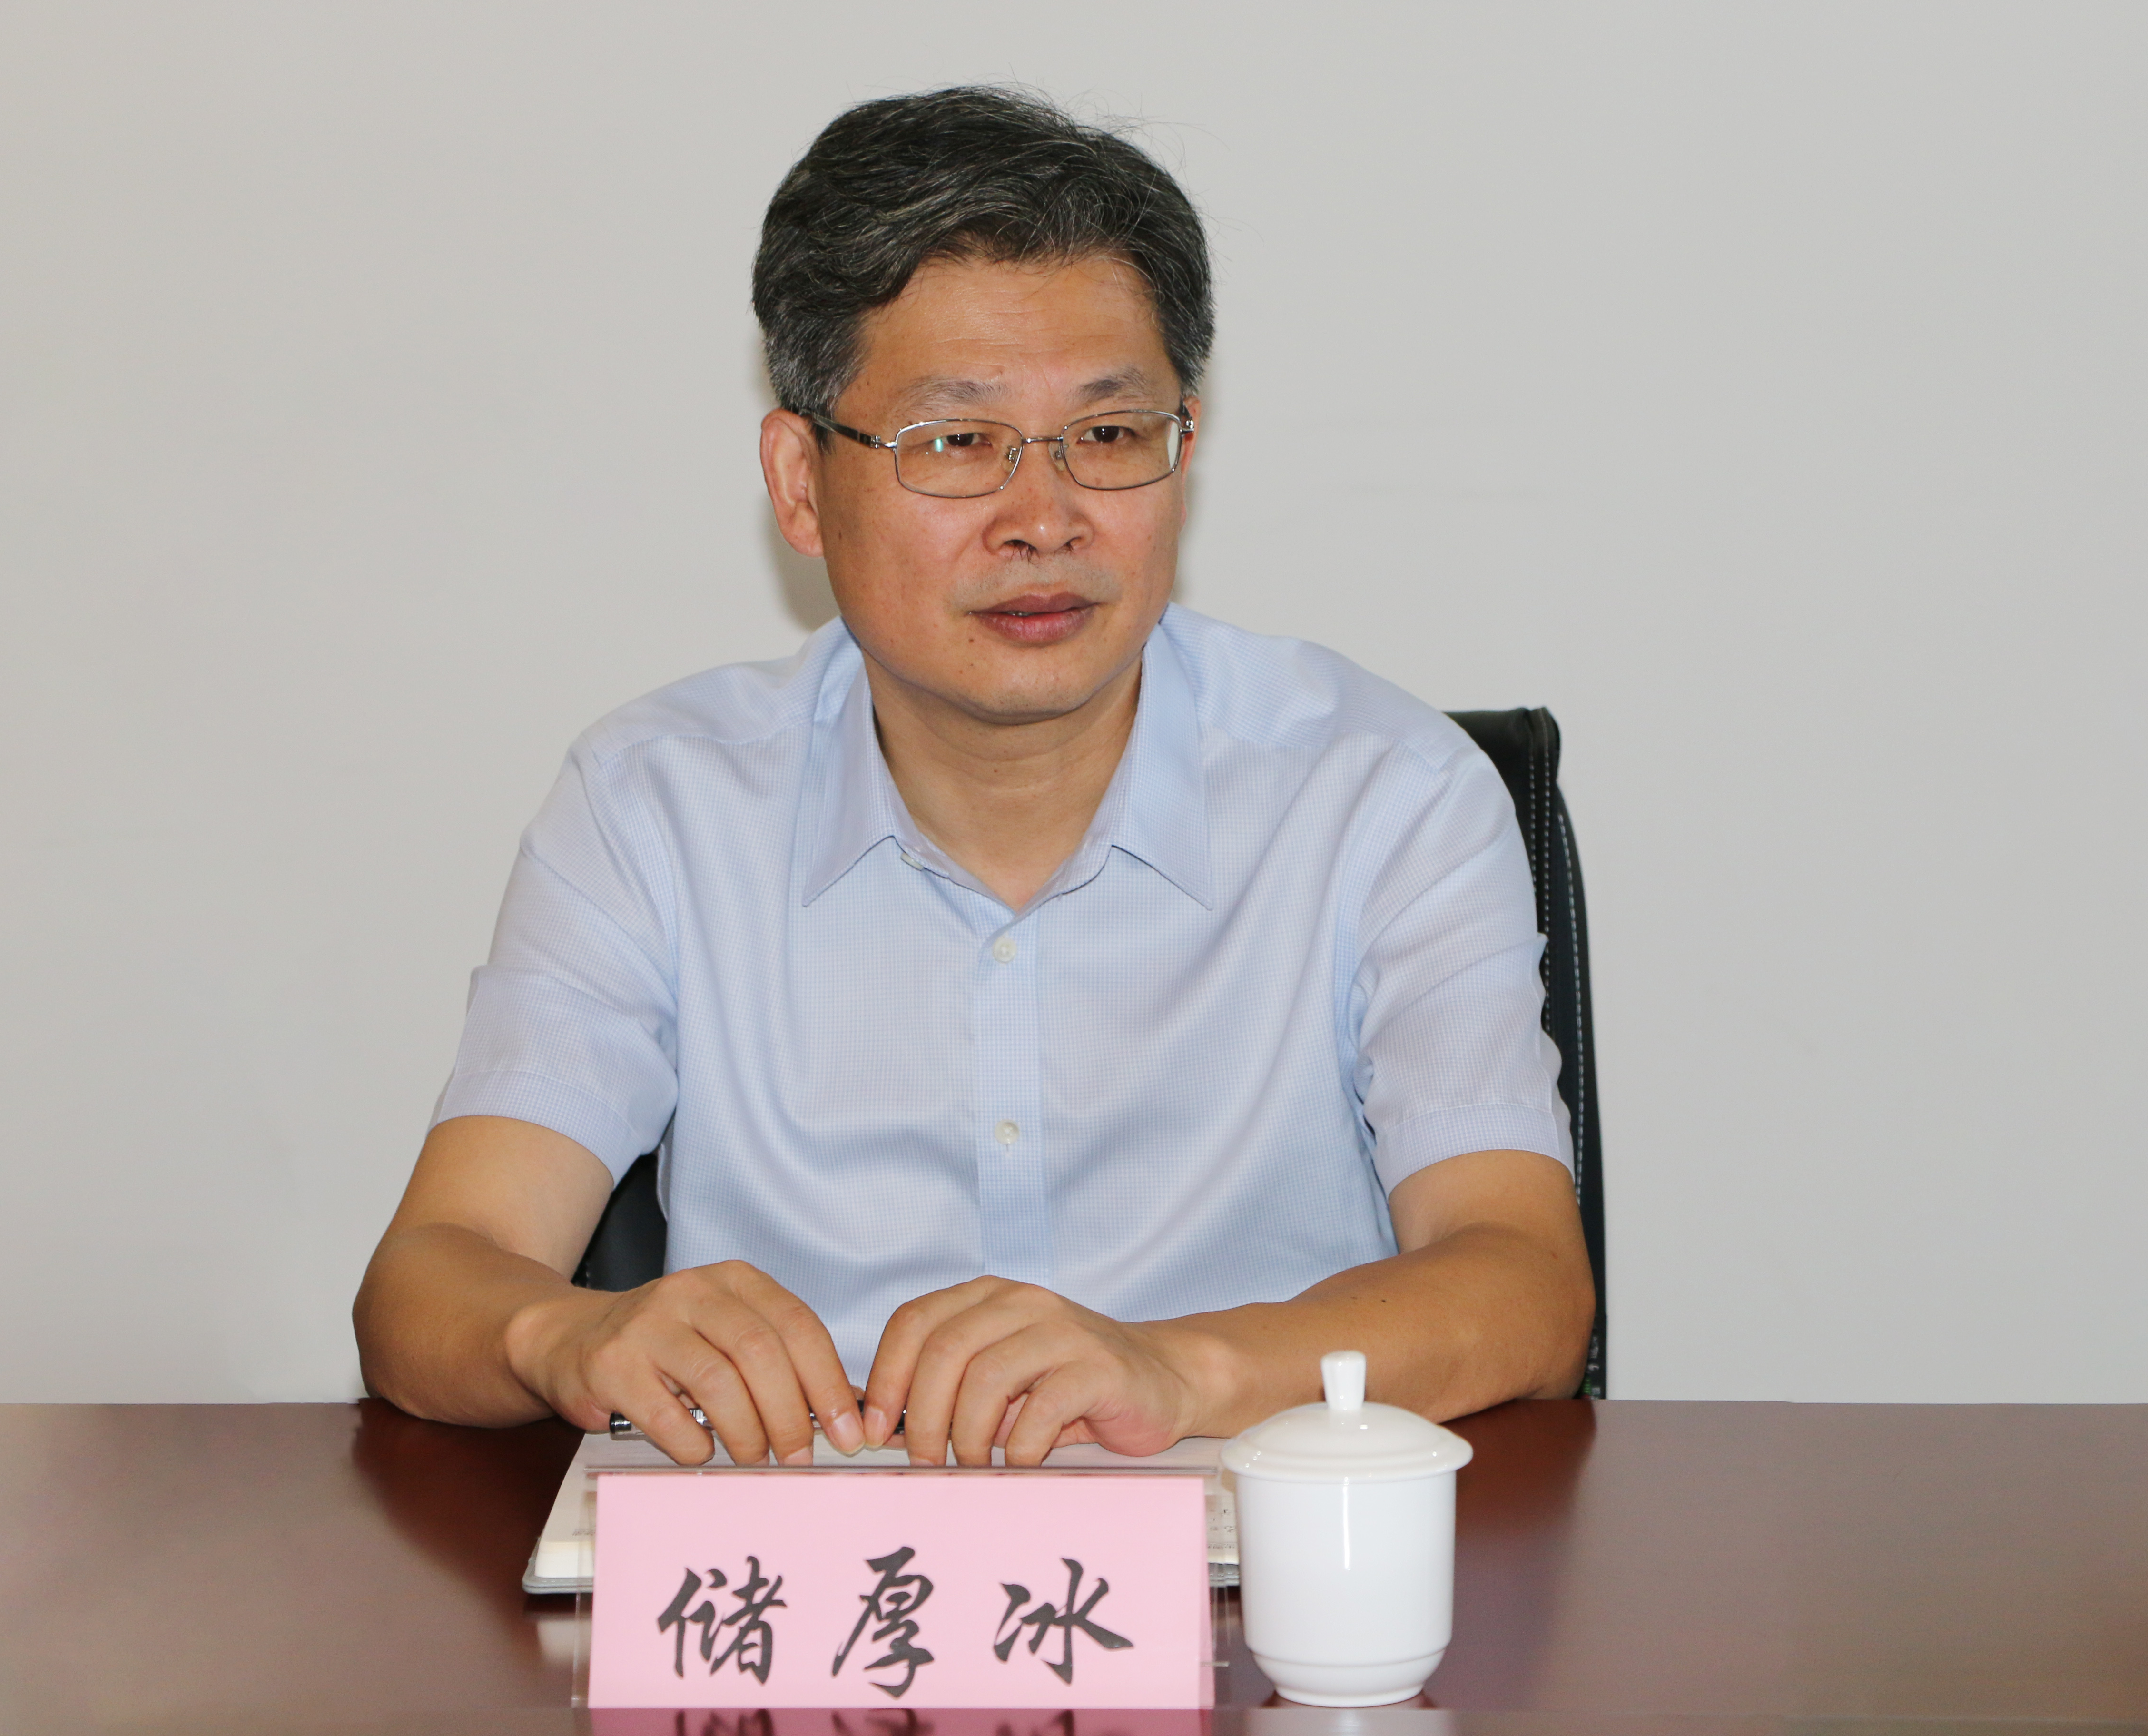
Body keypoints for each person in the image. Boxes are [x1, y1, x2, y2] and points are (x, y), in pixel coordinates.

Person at [354, 86, 1593, 1470]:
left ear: (1183, 450)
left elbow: (1524, 1284)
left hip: (1251, 1564)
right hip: (805, 1576)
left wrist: (1178, 1369)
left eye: (1108, 437)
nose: (1045, 520)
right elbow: (431, 1280)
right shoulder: (658, 808)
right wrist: (565, 1335)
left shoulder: (1384, 796)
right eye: (957, 444)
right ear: (800, 482)